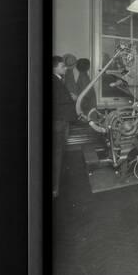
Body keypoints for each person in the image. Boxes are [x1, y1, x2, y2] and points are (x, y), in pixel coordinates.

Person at [52, 55, 78, 198]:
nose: (66, 68)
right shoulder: (55, 81)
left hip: (62, 121)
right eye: (62, 66)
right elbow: (60, 101)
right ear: (54, 67)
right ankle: (55, 188)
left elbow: (60, 97)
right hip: (59, 122)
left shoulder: (58, 80)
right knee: (57, 153)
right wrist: (71, 98)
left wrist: (68, 95)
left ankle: (56, 184)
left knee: (59, 152)